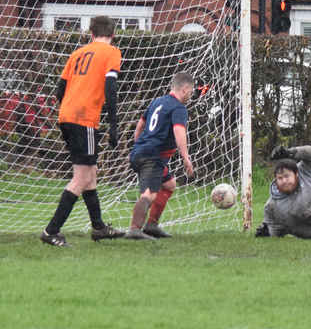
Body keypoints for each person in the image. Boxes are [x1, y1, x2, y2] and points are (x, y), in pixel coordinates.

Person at [40, 16, 124, 247]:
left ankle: (98, 227)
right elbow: (110, 87)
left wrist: (69, 110)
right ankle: (51, 231)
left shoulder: (77, 54)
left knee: (91, 173)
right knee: (83, 177)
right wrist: (114, 124)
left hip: (66, 116)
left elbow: (60, 89)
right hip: (84, 118)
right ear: (113, 34)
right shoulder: (111, 52)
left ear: (91, 33)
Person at [125, 72, 195, 240]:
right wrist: (186, 158)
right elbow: (179, 131)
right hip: (152, 156)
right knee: (149, 194)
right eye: (191, 92)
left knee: (169, 185)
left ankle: (152, 225)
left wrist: (138, 145)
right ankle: (135, 230)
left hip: (141, 152)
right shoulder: (178, 108)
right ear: (184, 89)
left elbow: (140, 124)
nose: (190, 96)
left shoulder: (157, 101)